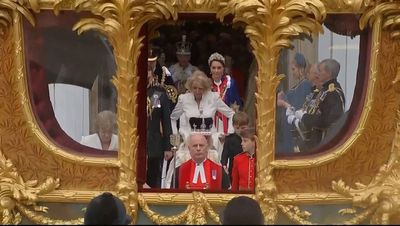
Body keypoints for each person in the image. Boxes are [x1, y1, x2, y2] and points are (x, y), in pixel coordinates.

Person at [163, 70, 235, 188]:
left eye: (200, 89)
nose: (197, 91)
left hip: (210, 143)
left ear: (205, 88)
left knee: (216, 165)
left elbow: (230, 113)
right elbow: (173, 117)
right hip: (189, 143)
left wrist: (228, 132)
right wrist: (176, 135)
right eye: (195, 88)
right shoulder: (183, 99)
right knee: (179, 162)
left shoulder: (214, 98)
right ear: (191, 87)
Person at [287, 58, 345, 152]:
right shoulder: (324, 90)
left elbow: (326, 121)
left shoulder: (333, 93)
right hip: (315, 141)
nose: (318, 74)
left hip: (324, 144)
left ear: (328, 73)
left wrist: (304, 117)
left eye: (321, 71)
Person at [145, 51, 174, 188]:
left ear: (152, 74)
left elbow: (167, 122)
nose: (146, 74)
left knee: (153, 179)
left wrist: (168, 147)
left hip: (154, 144)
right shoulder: (131, 92)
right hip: (134, 143)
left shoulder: (159, 94)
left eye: (148, 71)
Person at [276, 53, 313, 154]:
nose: (292, 73)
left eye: (293, 69)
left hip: (293, 127)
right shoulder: (299, 85)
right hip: (287, 126)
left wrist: (283, 103)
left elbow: (297, 108)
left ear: (301, 69)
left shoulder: (305, 85)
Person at [209, 52, 242, 135]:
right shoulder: (206, 84)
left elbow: (236, 104)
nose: (216, 71)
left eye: (219, 68)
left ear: (223, 69)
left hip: (228, 122)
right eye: (214, 68)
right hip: (211, 122)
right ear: (210, 69)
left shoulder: (230, 83)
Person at [221, 111, 249, 182]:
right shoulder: (229, 139)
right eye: (237, 128)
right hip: (233, 171)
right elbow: (224, 155)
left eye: (243, 128)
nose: (240, 130)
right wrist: (224, 165)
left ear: (248, 126)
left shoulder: (251, 139)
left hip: (247, 170)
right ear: (233, 125)